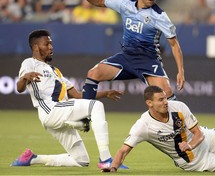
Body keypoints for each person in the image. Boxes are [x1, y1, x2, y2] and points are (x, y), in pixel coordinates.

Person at [10, 29, 128, 169]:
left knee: (81, 161)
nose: (51, 47)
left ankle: (33, 158)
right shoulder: (30, 63)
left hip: (59, 113)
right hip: (50, 110)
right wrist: (25, 77)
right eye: (46, 44)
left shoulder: (56, 71)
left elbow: (78, 95)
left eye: (51, 44)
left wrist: (105, 93)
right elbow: (19, 88)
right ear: (36, 47)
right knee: (96, 106)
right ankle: (106, 159)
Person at [100, 86, 215, 172]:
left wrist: (190, 144)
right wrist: (113, 168)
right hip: (192, 161)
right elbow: (124, 150)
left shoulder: (178, 107)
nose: (165, 102)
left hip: (202, 139)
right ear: (149, 103)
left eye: (165, 98)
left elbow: (198, 133)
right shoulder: (143, 126)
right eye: (160, 100)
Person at [70, 0, 185, 101]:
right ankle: (85, 117)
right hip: (126, 57)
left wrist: (180, 71)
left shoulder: (159, 16)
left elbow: (174, 44)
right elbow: (101, 2)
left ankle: (180, 121)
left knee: (166, 94)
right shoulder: (125, 5)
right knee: (93, 73)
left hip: (148, 60)